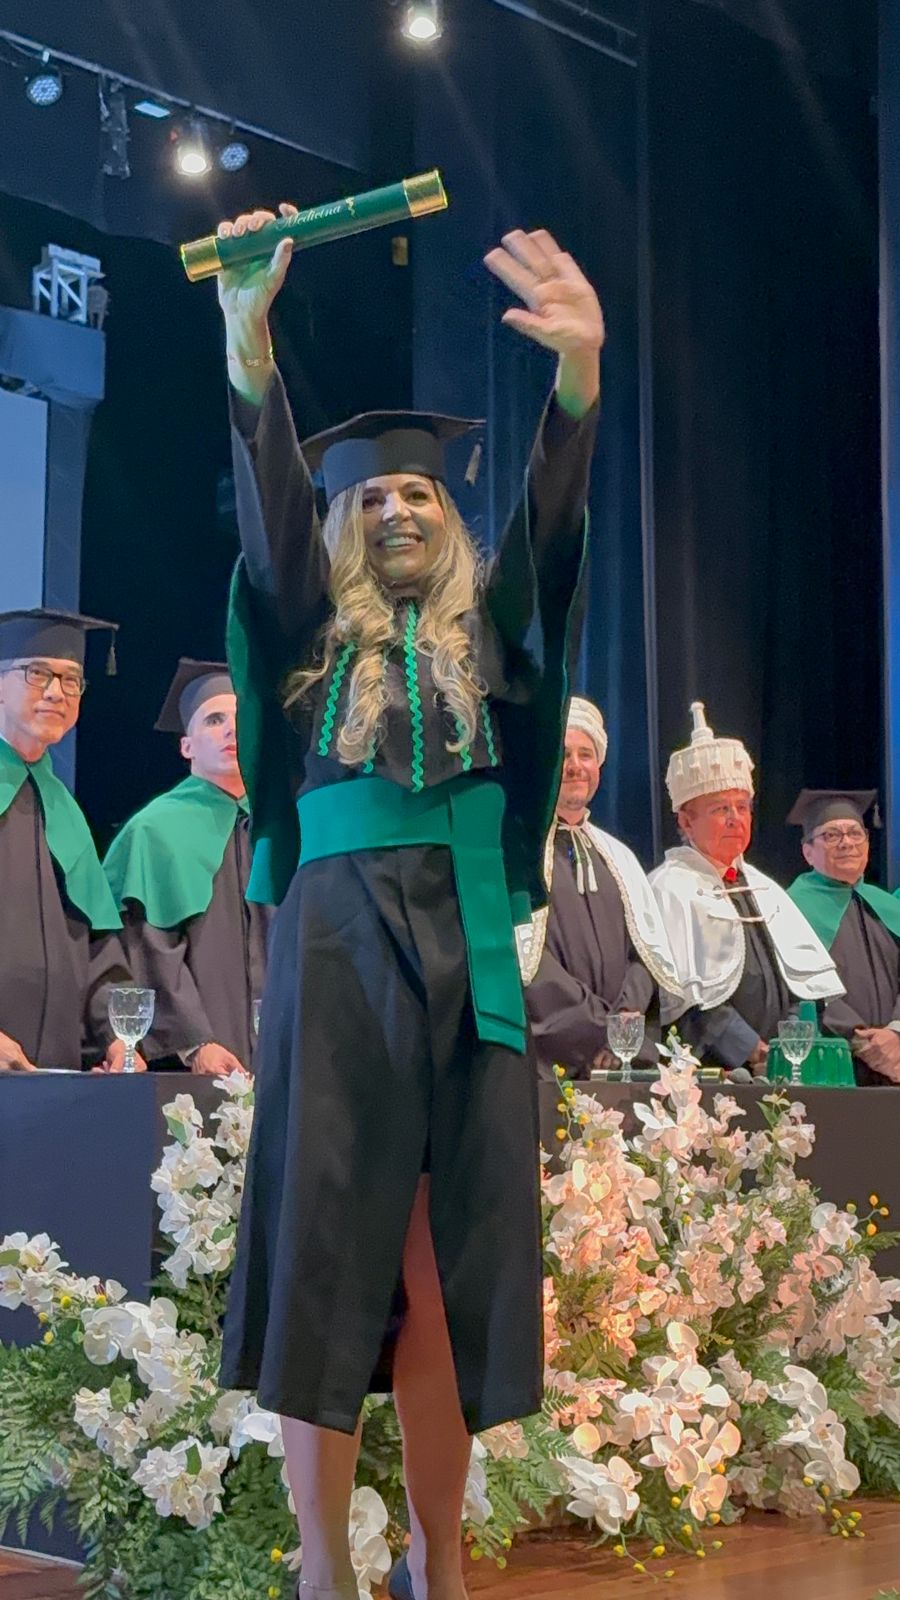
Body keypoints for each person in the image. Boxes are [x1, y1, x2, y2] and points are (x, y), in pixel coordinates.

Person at [214, 202, 603, 1600]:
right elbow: (268, 523)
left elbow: (550, 541)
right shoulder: (308, 635)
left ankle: (443, 1554)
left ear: (450, 521)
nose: (395, 508)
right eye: (370, 495)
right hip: (337, 950)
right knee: (328, 1257)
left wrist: (576, 382)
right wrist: (249, 353)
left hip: (470, 953)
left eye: (420, 496)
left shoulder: (489, 641)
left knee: (446, 1265)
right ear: (341, 522)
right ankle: (324, 1560)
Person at [649, 702, 843, 1073]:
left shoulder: (765, 887)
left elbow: (801, 981)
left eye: (742, 807)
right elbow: (688, 1001)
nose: (735, 819)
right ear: (686, 822)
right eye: (721, 809)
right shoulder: (667, 889)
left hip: (783, 1062)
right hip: (715, 1069)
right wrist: (751, 1049)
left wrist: (789, 1044)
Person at [103, 659, 271, 1073]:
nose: (232, 730)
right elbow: (148, 948)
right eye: (214, 720)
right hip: (192, 1063)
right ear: (187, 747)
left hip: (281, 1054)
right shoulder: (155, 829)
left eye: (241, 718)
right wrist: (196, 1043)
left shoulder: (280, 827)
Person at [0, 608, 138, 1073]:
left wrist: (116, 1037)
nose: (57, 692)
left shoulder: (65, 811)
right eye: (37, 673)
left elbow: (97, 944)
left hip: (52, 1075)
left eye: (71, 680)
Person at [519, 695, 679, 1075]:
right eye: (564, 754)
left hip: (619, 1058)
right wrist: (599, 1031)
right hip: (550, 1060)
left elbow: (646, 953)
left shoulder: (618, 856)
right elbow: (526, 958)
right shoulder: (520, 851)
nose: (576, 766)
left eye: (586, 755)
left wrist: (624, 1021)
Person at [787, 789, 900, 1085]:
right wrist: (864, 1042)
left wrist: (896, 1033)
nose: (847, 843)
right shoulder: (790, 908)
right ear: (807, 852)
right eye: (831, 835)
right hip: (834, 1062)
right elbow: (801, 987)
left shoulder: (887, 905)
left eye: (855, 833)